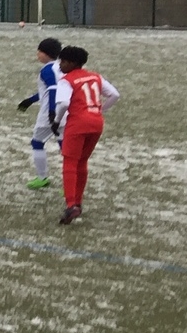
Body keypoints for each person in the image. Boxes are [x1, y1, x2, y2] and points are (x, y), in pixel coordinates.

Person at [50, 45, 119, 225]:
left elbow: (64, 104)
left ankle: (71, 204)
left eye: (63, 61)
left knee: (70, 162)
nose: (60, 65)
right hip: (96, 122)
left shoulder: (66, 80)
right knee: (82, 161)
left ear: (72, 63)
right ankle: (78, 203)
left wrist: (57, 120)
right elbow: (114, 94)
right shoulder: (95, 76)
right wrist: (100, 110)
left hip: (77, 123)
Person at [16, 37, 62, 191]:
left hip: (50, 114)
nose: (37, 54)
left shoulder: (47, 69)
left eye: (39, 51)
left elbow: (53, 90)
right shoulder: (62, 67)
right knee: (65, 147)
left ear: (46, 53)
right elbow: (49, 90)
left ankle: (42, 178)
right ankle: (70, 183)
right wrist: (30, 100)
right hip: (66, 111)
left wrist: (51, 112)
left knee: (37, 142)